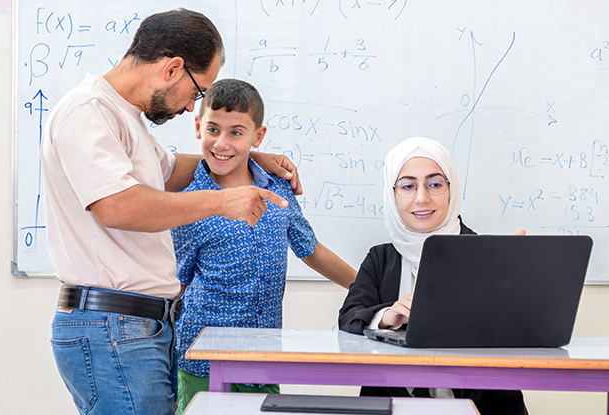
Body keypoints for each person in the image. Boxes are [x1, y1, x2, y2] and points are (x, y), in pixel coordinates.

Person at [41, 10, 304, 415]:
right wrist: (222, 201)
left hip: (138, 325)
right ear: (172, 68)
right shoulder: (89, 112)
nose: (188, 109)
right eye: (198, 93)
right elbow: (116, 205)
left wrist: (250, 159)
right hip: (111, 324)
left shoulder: (125, 118)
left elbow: (174, 171)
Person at [170, 78, 358, 413]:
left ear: (258, 137)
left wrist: (368, 289)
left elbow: (309, 248)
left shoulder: (278, 188)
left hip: (263, 355)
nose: (222, 143)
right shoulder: (190, 201)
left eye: (236, 133)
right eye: (213, 129)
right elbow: (177, 284)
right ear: (198, 127)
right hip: (202, 361)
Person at [338, 137, 528, 415]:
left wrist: (510, 279)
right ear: (392, 194)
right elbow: (348, 318)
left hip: (484, 405)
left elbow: (518, 331)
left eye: (435, 184)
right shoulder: (379, 258)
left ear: (452, 189)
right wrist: (386, 317)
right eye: (407, 186)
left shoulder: (487, 254)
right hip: (389, 404)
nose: (422, 197)